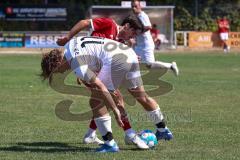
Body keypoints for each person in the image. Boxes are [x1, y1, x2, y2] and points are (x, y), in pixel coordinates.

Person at [40, 36, 173, 152]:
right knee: (141, 96)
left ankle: (110, 144)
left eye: (57, 72)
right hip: (128, 53)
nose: (62, 73)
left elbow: (101, 87)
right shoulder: (70, 44)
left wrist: (115, 110)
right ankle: (163, 130)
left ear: (57, 63)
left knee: (96, 102)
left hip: (115, 61)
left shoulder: (76, 64)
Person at [57, 16, 148, 149]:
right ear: (127, 26)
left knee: (102, 101)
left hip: (94, 70)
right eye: (133, 33)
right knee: (112, 99)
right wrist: (67, 37)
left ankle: (92, 134)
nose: (133, 37)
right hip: (89, 69)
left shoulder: (121, 41)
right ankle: (128, 134)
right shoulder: (109, 23)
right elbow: (84, 22)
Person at [131, 0, 179, 75]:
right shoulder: (136, 17)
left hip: (146, 45)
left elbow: (148, 27)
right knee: (133, 62)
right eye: (132, 7)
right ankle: (132, 83)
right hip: (139, 45)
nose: (134, 8)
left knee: (150, 65)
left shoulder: (142, 15)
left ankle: (170, 66)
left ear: (140, 6)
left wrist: (138, 32)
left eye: (135, 6)